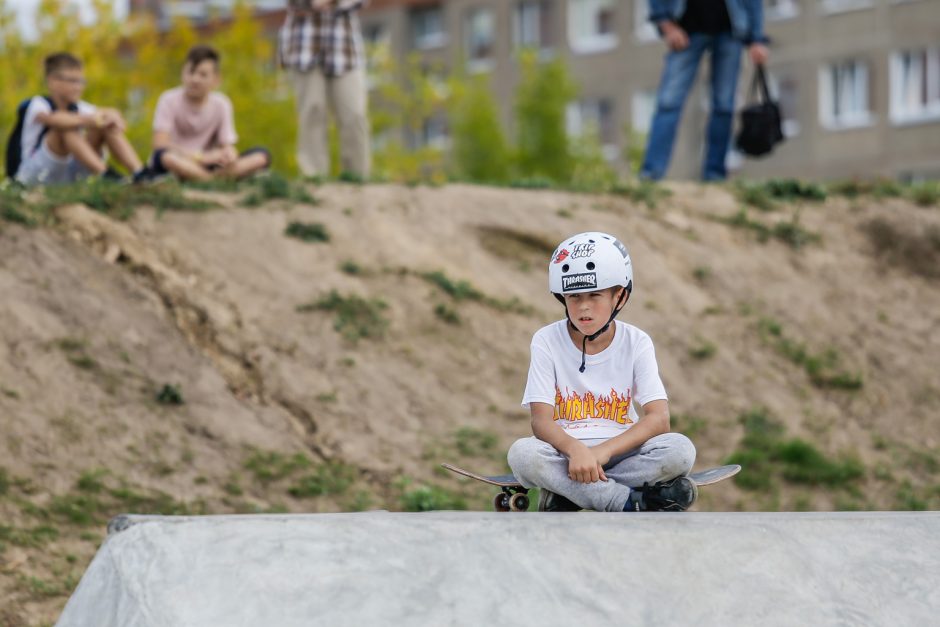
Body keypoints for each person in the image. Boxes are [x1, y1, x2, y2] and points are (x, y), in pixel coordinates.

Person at [507, 232, 697, 512]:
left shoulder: (637, 341)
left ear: (619, 295)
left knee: (681, 450)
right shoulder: (546, 340)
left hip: (622, 454)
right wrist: (576, 451)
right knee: (523, 454)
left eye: (595, 295)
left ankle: (567, 493)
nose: (583, 306)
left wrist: (601, 452)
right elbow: (541, 422)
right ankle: (625, 501)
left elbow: (659, 419)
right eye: (574, 296)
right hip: (566, 456)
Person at [640, 0, 770, 181]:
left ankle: (715, 176)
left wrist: (757, 38)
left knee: (724, 106)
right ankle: (651, 174)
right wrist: (666, 24)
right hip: (685, 29)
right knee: (668, 103)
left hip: (730, 31)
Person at [14, 52, 150, 186]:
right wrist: (95, 119)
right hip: (34, 174)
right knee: (65, 128)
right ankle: (106, 175)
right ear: (52, 81)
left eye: (81, 81)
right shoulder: (38, 103)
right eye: (72, 81)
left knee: (103, 125)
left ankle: (140, 173)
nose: (79, 87)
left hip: (67, 173)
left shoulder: (80, 107)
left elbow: (109, 114)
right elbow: (55, 119)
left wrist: (111, 119)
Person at [149, 45, 271, 182]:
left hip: (208, 164)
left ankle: (204, 178)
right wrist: (200, 157)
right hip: (178, 161)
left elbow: (227, 145)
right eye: (191, 72)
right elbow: (159, 144)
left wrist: (229, 155)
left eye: (203, 74)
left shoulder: (222, 103)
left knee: (262, 155)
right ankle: (215, 180)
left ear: (216, 79)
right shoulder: (168, 99)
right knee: (165, 157)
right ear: (182, 73)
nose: (195, 79)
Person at [278, 0, 370, 179]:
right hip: (303, 46)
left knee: (355, 113)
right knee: (312, 111)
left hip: (344, 47)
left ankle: (357, 177)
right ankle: (314, 177)